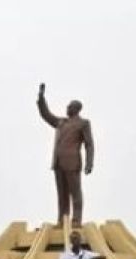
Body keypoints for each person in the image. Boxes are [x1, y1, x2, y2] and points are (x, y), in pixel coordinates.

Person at [36, 83, 95, 226]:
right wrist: (41, 98)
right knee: (61, 194)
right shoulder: (61, 122)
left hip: (72, 162)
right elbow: (46, 115)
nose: (67, 108)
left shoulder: (83, 123)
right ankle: (63, 220)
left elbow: (89, 144)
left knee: (75, 193)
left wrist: (89, 163)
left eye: (69, 106)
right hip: (58, 162)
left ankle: (76, 219)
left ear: (76, 109)